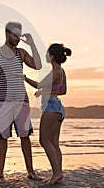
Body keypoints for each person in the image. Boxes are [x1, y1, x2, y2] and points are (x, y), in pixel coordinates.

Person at [0, 21, 42, 179]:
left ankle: (31, 171)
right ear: (7, 34)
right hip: (3, 101)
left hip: (21, 100)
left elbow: (37, 65)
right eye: (15, 35)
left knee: (25, 136)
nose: (18, 38)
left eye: (20, 35)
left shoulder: (21, 53)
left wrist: (32, 45)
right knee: (2, 137)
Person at [14, 43, 71, 185]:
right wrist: (46, 91)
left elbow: (39, 85)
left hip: (51, 107)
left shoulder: (55, 71)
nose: (46, 55)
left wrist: (24, 77)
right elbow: (62, 90)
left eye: (47, 54)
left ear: (51, 56)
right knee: (54, 143)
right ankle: (59, 175)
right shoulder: (60, 70)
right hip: (58, 107)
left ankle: (57, 173)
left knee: (44, 141)